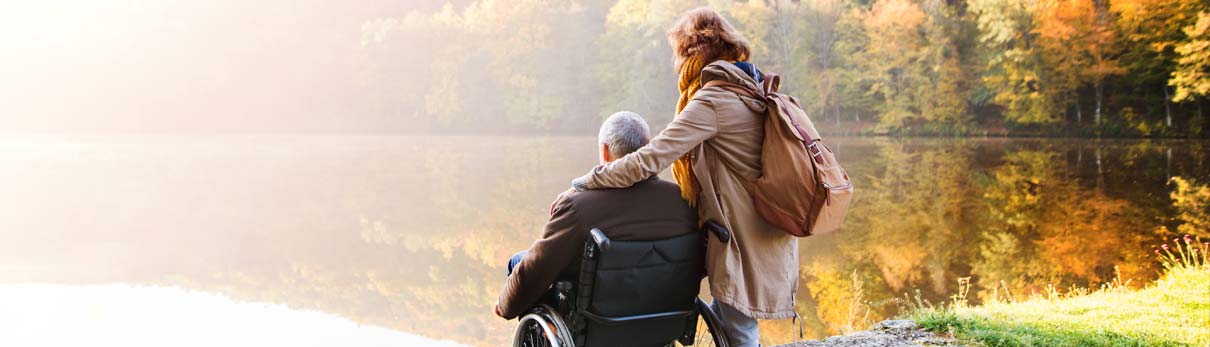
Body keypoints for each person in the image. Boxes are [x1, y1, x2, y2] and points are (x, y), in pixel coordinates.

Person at [570, 7, 797, 346]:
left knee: (739, 329)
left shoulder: (714, 100)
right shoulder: (752, 86)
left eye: (677, 52)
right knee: (730, 321)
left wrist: (589, 181)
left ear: (691, 52)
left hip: (739, 238)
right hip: (767, 228)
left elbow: (650, 158)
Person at [494, 111, 697, 320]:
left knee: (519, 261)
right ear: (648, 148)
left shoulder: (578, 207)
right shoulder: (683, 200)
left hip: (598, 323)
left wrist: (505, 305)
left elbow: (536, 269)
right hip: (661, 320)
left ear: (605, 151)